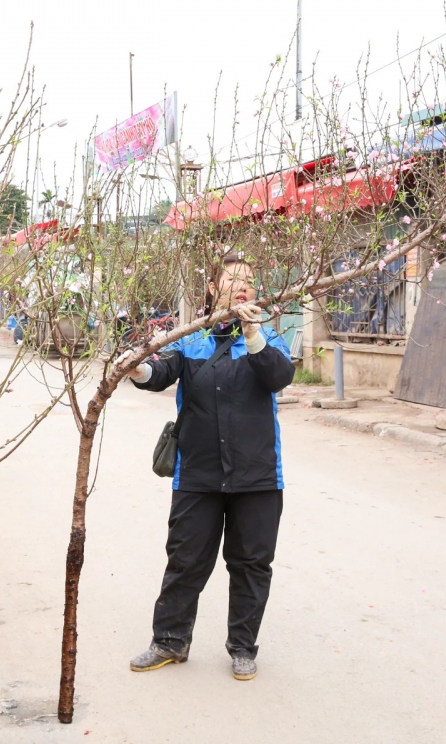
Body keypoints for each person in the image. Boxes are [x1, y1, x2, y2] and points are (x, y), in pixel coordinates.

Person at [120, 254, 294, 681]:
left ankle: (242, 647)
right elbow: (160, 374)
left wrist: (253, 334)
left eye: (250, 279)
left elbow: (279, 377)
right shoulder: (191, 340)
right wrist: (138, 367)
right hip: (197, 472)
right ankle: (170, 641)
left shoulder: (268, 338)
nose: (243, 285)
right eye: (233, 277)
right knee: (186, 559)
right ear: (213, 288)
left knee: (252, 563)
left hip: (257, 475)